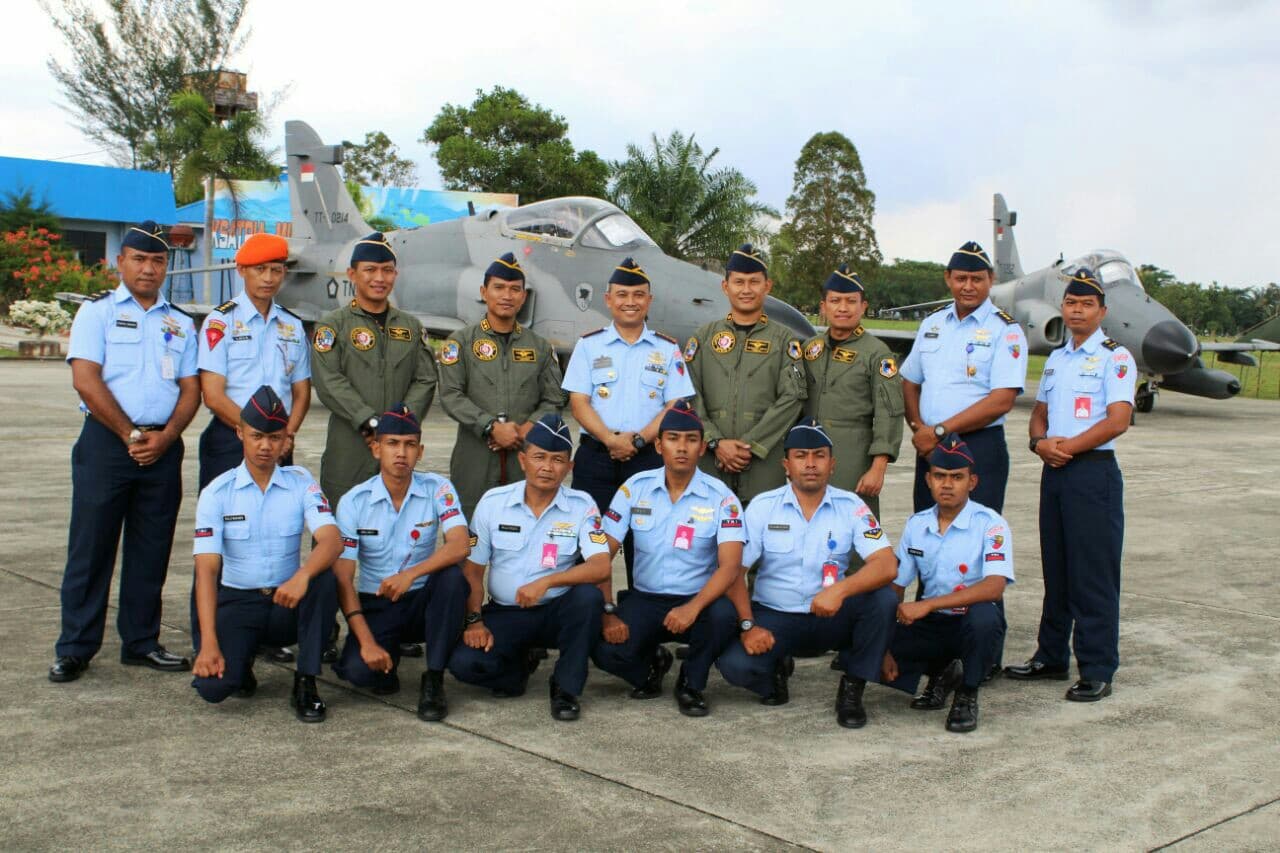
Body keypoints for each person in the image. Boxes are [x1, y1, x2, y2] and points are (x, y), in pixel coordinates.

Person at [50, 221, 200, 683]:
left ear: (166, 267)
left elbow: (191, 387)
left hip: (163, 448)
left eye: (158, 261)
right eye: (140, 259)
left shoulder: (178, 321)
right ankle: (75, 647)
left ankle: (140, 641)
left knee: (150, 550)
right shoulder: (97, 314)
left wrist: (167, 436)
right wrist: (130, 434)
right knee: (91, 548)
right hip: (108, 445)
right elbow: (86, 379)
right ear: (121, 262)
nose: (149, 268)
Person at [715, 419, 899, 728]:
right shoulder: (763, 507)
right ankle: (774, 673)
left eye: (819, 456)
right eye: (801, 456)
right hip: (776, 616)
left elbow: (886, 564)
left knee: (882, 600)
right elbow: (734, 571)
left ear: (832, 464)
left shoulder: (851, 506)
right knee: (734, 666)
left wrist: (839, 590)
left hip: (831, 615)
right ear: (786, 464)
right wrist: (748, 626)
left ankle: (853, 689)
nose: (810, 464)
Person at [1004, 268, 1135, 702]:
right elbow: (1039, 411)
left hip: (1092, 473)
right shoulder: (1058, 358)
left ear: (1102, 312)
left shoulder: (1116, 358)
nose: (1077, 311)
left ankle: (1097, 667)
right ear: (1063, 308)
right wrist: (1040, 443)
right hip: (1055, 470)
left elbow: (1118, 421)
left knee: (1092, 575)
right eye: (1071, 304)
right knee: (1056, 569)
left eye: (1087, 305)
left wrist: (1068, 447)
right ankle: (1051, 656)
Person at [311, 231, 437, 659]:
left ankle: (394, 625)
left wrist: (402, 422)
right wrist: (370, 420)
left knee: (401, 533)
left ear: (395, 275)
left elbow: (425, 377)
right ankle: (324, 630)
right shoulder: (333, 326)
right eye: (370, 270)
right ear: (352, 275)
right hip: (351, 445)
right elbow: (328, 381)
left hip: (398, 446)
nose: (379, 278)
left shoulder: (410, 327)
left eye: (386, 270)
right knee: (334, 541)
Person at [189, 386, 342, 722]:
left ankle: (306, 681)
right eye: (256, 436)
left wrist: (302, 576)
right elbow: (206, 572)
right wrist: (208, 643)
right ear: (240, 433)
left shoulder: (300, 482)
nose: (265, 446)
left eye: (274, 438)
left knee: (324, 579)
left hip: (285, 601)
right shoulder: (218, 493)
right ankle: (241, 659)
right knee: (213, 689)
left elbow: (332, 540)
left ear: (285, 439)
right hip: (239, 601)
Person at [448, 415, 611, 721]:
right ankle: (517, 670)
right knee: (464, 664)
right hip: (507, 611)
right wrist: (474, 621)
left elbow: (601, 566)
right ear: (523, 461)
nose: (547, 467)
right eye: (539, 457)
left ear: (569, 468)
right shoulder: (493, 502)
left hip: (557, 610)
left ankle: (565, 688)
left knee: (588, 598)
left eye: (558, 460)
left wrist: (547, 582)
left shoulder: (581, 505)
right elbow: (472, 570)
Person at [592, 401, 744, 716]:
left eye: (691, 439)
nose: (682, 447)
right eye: (674, 438)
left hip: (698, 599)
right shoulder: (635, 489)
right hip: (646, 598)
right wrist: (608, 611)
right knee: (602, 647)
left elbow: (730, 566)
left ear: (702, 448)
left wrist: (693, 607)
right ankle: (651, 666)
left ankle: (691, 682)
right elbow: (600, 554)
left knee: (723, 616)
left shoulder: (722, 497)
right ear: (659, 445)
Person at [331, 404, 470, 722]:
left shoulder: (438, 489)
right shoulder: (354, 501)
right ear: (376, 448)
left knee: (451, 579)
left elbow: (460, 544)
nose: (401, 453)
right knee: (359, 672)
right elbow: (343, 577)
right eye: (392, 443)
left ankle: (433, 678)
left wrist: (411, 574)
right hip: (377, 602)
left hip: (423, 601)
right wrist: (366, 642)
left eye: (409, 445)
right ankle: (384, 660)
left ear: (420, 452)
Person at [561, 257, 695, 586]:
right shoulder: (588, 345)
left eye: (638, 295)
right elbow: (578, 402)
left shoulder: (667, 349)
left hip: (647, 458)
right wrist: (610, 439)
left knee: (646, 542)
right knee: (590, 539)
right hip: (596, 457)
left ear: (649, 300)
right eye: (622, 294)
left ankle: (640, 616)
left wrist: (636, 442)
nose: (630, 302)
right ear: (608, 300)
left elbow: (676, 404)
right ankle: (591, 615)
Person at [881, 435, 1014, 733]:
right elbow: (897, 586)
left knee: (984, 618)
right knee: (868, 638)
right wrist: (882, 641)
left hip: (969, 623)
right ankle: (942, 675)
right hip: (934, 625)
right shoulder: (917, 524)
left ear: (972, 482)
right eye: (940, 476)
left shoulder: (990, 524)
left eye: (957, 477)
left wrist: (927, 603)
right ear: (928, 480)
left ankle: (966, 694)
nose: (947, 484)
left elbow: (994, 587)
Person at [900, 241, 1028, 514]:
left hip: (979, 447)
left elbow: (1001, 401)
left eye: (977, 279)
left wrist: (938, 431)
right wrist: (918, 428)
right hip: (930, 449)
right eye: (961, 278)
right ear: (948, 278)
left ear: (991, 280)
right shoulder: (932, 324)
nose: (968, 286)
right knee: (927, 531)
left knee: (975, 532)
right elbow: (910, 382)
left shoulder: (1005, 331)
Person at [438, 252, 565, 521]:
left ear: (523, 297)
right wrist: (491, 427)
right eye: (499, 287)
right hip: (475, 458)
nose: (506, 295)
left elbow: (553, 399)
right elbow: (451, 395)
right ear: (484, 292)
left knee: (523, 531)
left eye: (514, 289)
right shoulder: (460, 343)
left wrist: (523, 430)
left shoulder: (540, 347)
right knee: (471, 537)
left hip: (526, 457)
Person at [685, 243, 805, 505]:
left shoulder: (785, 340)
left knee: (761, 537)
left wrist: (750, 445)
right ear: (725, 287)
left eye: (754, 282)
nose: (747, 289)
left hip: (764, 460)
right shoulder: (704, 338)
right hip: (711, 460)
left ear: (767, 286)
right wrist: (716, 441)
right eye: (739, 282)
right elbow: (689, 393)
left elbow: (792, 397)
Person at [196, 233, 310, 491]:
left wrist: (285, 435)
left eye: (276, 270)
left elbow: (301, 391)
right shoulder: (220, 322)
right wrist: (258, 434)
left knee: (276, 523)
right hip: (230, 437)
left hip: (280, 444)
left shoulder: (292, 325)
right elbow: (213, 395)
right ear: (241, 270)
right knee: (225, 522)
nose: (269, 278)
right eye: (260, 270)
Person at [800, 265, 903, 519]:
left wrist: (878, 468)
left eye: (851, 301)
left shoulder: (877, 353)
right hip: (809, 455)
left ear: (863, 306)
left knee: (855, 527)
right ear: (823, 307)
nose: (843, 308)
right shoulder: (809, 349)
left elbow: (888, 412)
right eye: (835, 301)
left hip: (853, 457)